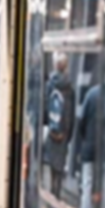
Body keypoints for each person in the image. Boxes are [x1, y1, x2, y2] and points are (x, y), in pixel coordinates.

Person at [42, 52, 75, 200]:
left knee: (50, 158)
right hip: (64, 131)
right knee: (60, 162)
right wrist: (69, 133)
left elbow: (44, 107)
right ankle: (57, 190)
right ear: (66, 66)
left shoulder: (49, 85)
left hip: (51, 128)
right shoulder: (70, 88)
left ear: (55, 65)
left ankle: (51, 187)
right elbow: (72, 112)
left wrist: (46, 125)